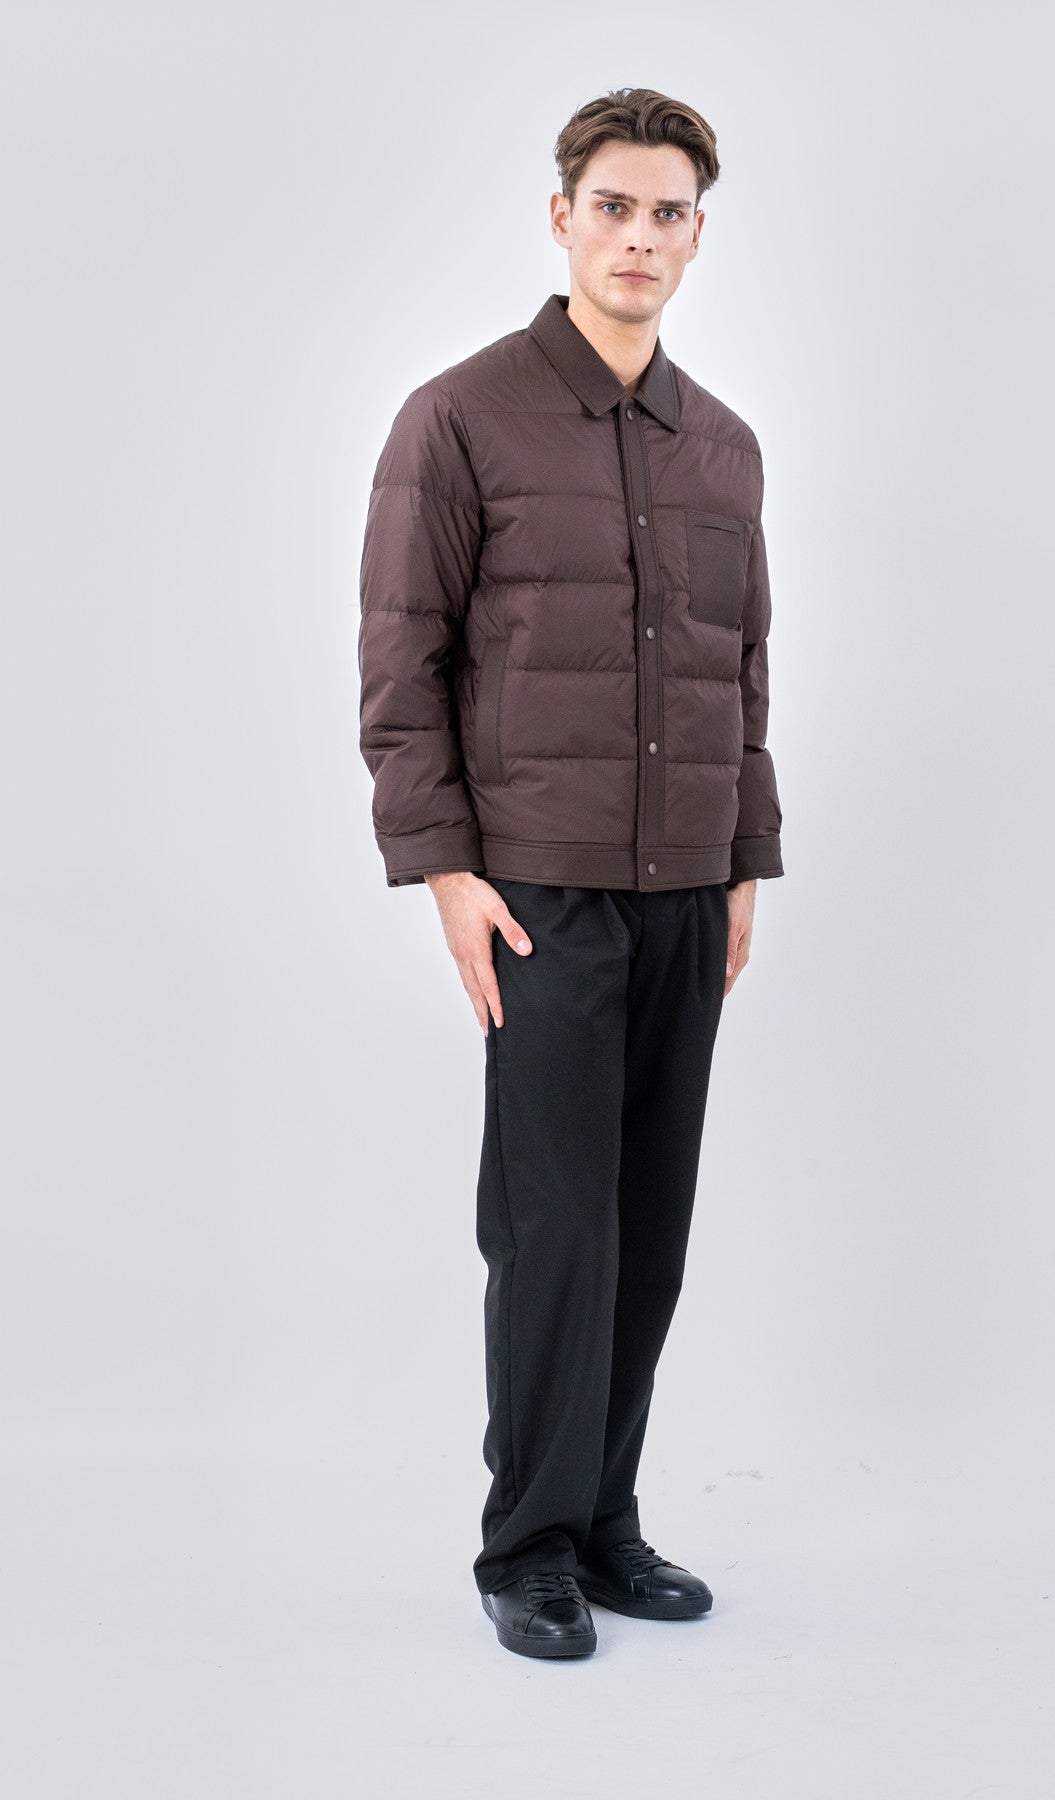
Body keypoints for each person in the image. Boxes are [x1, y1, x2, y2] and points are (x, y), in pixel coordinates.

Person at [357, 86, 785, 1659]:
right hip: (538, 895)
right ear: (562, 218)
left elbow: (742, 673)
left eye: (669, 213)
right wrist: (444, 870)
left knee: (648, 1222)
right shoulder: (459, 419)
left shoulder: (723, 447)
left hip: (687, 891)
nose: (640, 237)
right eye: (615, 206)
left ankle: (604, 1520)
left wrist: (746, 857)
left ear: (696, 236)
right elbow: (401, 662)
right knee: (553, 1228)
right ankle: (525, 1543)